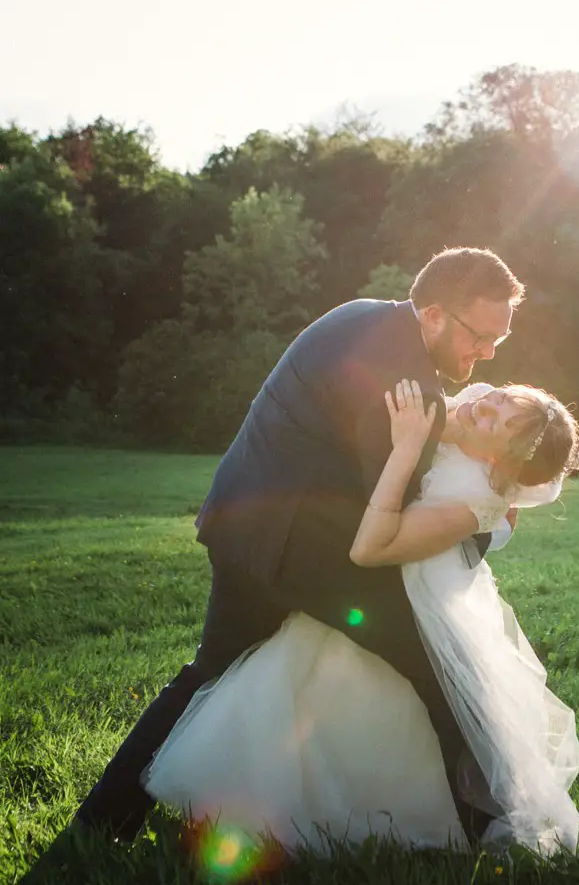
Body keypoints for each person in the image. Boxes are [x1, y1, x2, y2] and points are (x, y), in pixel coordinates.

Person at [71, 247, 525, 848]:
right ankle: (493, 829)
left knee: (209, 670)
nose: (489, 353)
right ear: (436, 314)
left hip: (244, 529)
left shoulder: (364, 313)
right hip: (304, 552)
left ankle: (102, 823)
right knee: (445, 670)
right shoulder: (406, 383)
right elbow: (394, 517)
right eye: (482, 336)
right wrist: (489, 523)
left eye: (499, 339)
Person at [142, 378, 579, 857]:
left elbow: (371, 548)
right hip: (340, 579)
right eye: (502, 398)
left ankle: (371, 814)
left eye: (498, 423)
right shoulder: (468, 402)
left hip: (397, 596)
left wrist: (409, 446)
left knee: (380, 701)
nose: (486, 406)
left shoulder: (475, 499)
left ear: (499, 461)